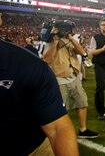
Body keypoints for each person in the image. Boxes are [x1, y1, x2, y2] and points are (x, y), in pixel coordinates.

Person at [0, 14, 79, 156]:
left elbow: (58, 128)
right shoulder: (35, 57)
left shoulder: (29, 66)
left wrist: (69, 39)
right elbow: (47, 58)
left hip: (32, 148)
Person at [43, 20, 99, 139]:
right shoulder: (50, 40)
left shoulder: (71, 40)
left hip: (73, 77)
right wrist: (55, 41)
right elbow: (47, 59)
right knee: (61, 110)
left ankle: (83, 130)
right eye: (66, 28)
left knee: (82, 102)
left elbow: (83, 52)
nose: (68, 31)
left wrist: (71, 38)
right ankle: (60, 133)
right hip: (59, 79)